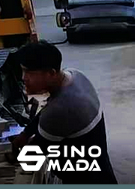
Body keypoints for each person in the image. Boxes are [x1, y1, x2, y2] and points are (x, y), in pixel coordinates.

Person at [11, 41, 117, 184]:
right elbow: (48, 110)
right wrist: (26, 133)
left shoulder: (60, 110)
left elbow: (33, 152)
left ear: (51, 73)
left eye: (29, 72)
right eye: (23, 71)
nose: (24, 78)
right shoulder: (75, 75)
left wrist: (8, 156)